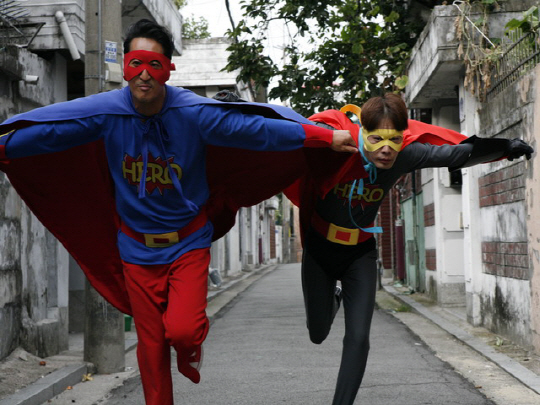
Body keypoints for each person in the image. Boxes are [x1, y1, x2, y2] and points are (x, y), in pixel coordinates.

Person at [0, 19, 358, 405]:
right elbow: (50, 131)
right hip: (136, 250)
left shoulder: (193, 112)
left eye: (154, 65)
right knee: (150, 350)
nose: (143, 75)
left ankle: (190, 349)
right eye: (135, 63)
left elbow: (257, 130)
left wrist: (324, 136)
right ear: (125, 67)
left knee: (183, 332)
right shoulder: (107, 113)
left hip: (187, 243)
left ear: (169, 69)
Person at [284, 93, 534, 405]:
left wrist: (504, 147)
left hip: (360, 254)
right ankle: (333, 300)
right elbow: (282, 134)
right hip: (320, 251)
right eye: (376, 139)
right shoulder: (336, 144)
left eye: (394, 139)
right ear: (362, 132)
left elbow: (456, 153)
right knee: (317, 333)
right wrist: (236, 110)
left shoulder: (406, 154)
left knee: (359, 337)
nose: (386, 149)